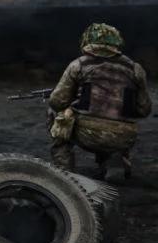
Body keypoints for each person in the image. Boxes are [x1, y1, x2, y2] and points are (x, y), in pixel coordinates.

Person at [49, 22, 151, 179]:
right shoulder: (135, 68)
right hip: (123, 137)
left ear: (87, 41)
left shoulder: (79, 64)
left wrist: (77, 100)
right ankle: (114, 162)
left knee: (56, 115)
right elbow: (144, 109)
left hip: (87, 134)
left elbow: (57, 101)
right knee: (119, 122)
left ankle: (65, 175)